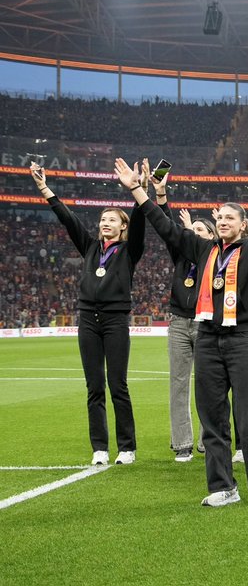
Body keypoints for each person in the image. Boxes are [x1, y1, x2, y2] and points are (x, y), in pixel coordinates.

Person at [113, 147, 248, 509]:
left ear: (243, 225)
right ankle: (223, 486)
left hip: (244, 340)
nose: (222, 221)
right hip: (207, 339)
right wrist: (136, 191)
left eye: (229, 218)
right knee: (213, 418)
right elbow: (165, 227)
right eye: (219, 217)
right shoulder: (203, 250)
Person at [32, 160, 145, 466]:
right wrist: (45, 189)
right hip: (88, 321)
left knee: (117, 384)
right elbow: (68, 220)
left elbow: (142, 222)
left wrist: (138, 189)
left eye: (111, 220)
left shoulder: (129, 251)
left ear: (123, 227)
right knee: (94, 386)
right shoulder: (91, 247)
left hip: (115, 321)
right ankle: (100, 447)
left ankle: (127, 447)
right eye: (102, 219)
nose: (104, 223)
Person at [152, 175, 215, 463]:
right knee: (178, 383)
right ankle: (182, 444)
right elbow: (167, 228)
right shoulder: (180, 255)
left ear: (211, 236)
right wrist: (162, 196)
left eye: (201, 229)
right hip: (178, 321)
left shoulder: (216, 256)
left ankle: (207, 439)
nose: (195, 232)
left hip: (205, 322)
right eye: (193, 229)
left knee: (207, 382)